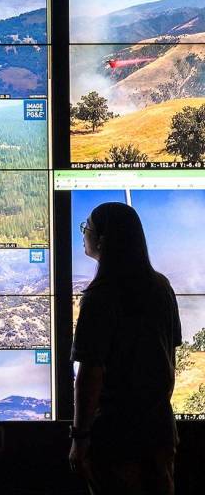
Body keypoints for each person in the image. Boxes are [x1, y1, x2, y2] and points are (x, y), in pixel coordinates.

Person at [70, 202, 182, 495]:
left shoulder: (99, 298)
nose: (83, 235)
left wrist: (79, 437)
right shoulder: (162, 288)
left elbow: (90, 373)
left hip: (114, 438)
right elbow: (170, 356)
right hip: (159, 433)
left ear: (102, 241)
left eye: (87, 229)